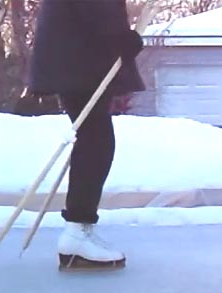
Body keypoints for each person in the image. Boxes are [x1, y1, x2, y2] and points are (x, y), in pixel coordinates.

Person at [27, 0, 145, 271]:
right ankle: (77, 231)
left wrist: (117, 39)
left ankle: (79, 229)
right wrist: (118, 39)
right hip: (77, 56)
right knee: (96, 139)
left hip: (77, 53)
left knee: (94, 137)